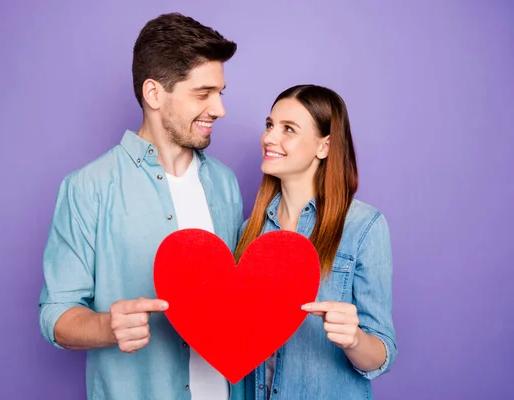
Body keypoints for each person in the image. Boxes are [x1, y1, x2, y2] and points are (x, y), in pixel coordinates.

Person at [38, 13, 245, 400]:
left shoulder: (225, 184)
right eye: (203, 94)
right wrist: (107, 327)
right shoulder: (88, 188)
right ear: (154, 94)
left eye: (220, 93)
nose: (219, 110)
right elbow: (56, 314)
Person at [235, 84, 397, 400]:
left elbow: (382, 353)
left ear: (324, 146)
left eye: (288, 129)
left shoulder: (363, 226)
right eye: (270, 125)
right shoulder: (249, 232)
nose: (269, 138)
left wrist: (354, 340)